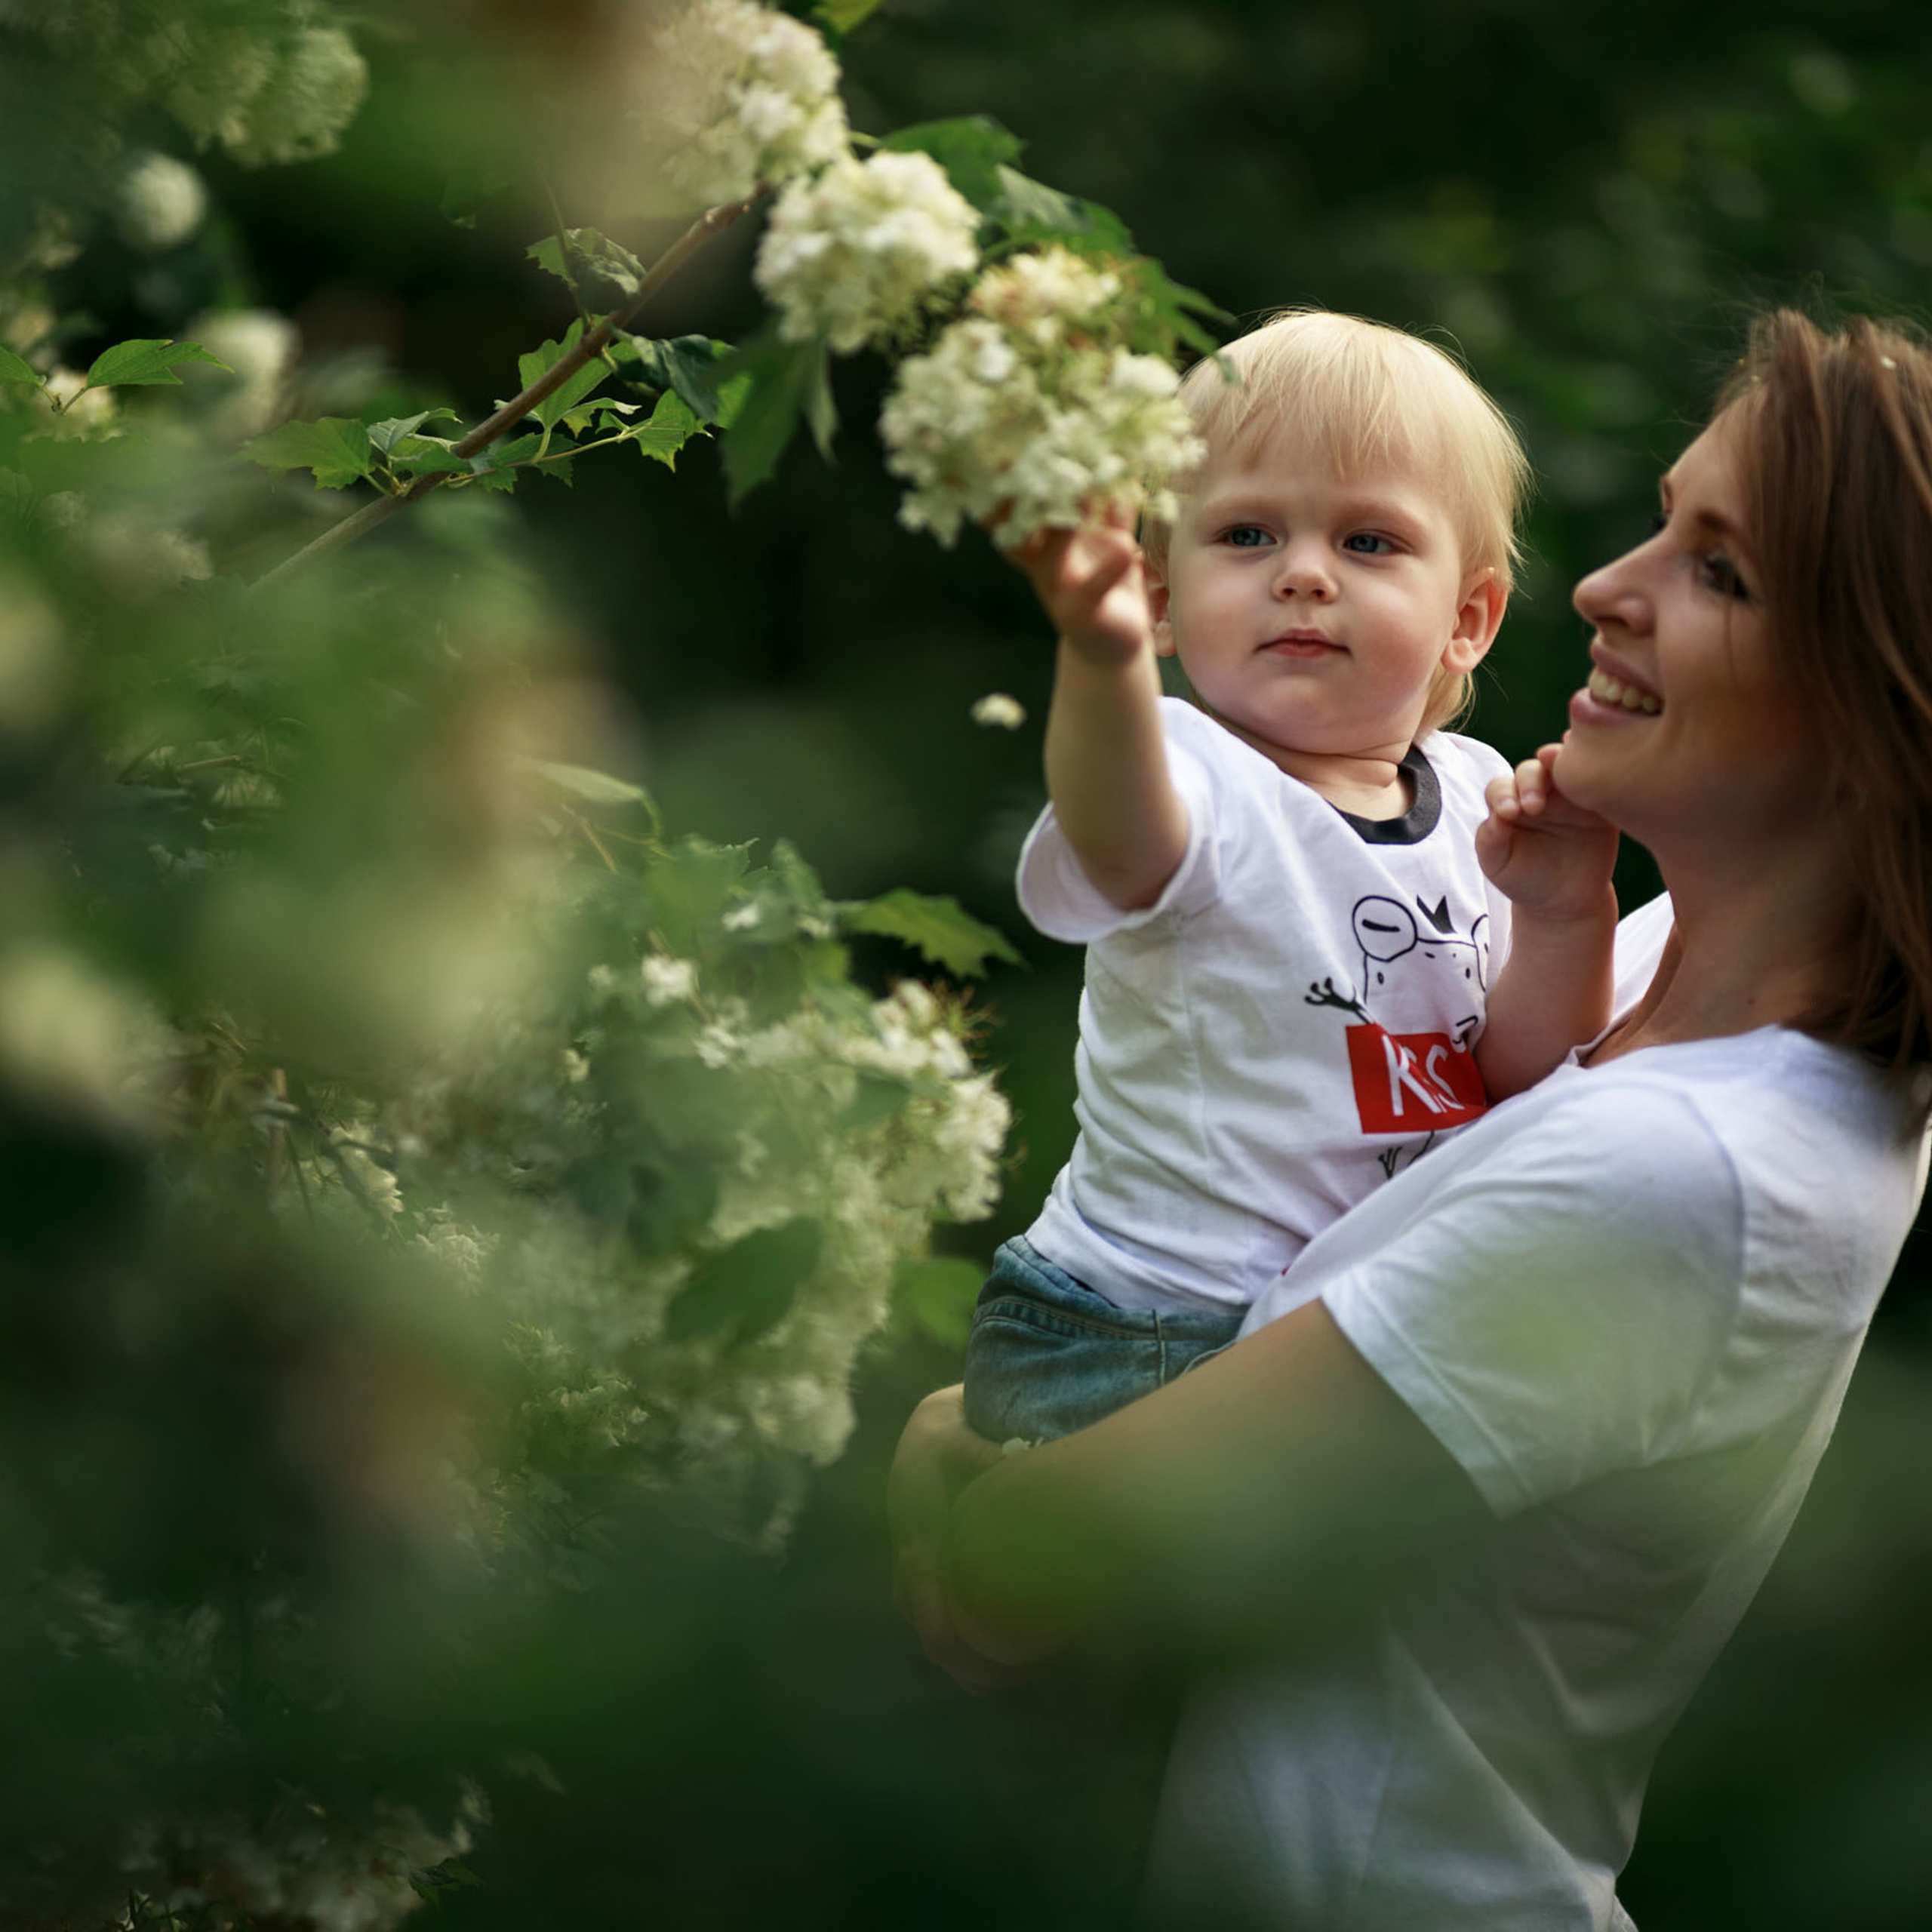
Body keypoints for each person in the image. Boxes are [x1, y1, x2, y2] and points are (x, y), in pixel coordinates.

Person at [891, 308, 1932, 1930]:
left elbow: (1020, 1572)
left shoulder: (1692, 1164)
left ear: (1880, 711)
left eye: (1715, 570)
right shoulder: (1673, 973)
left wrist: (941, 1440)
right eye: (1661, 519)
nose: (1606, 585)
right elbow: (1496, 1046)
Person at [965, 310, 1616, 1450]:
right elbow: (1120, 844)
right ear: (1162, 596)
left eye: (1368, 544)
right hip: (1144, 1330)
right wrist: (1102, 659)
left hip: (1332, 1331)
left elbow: (1502, 1070)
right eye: (1249, 535)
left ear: (1466, 620)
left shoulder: (1472, 794)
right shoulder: (1193, 769)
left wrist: (1563, 915)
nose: (1305, 575)